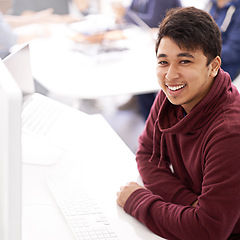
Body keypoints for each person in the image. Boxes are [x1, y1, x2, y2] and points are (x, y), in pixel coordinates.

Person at [116, 7, 240, 240]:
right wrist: (189, 203)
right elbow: (147, 156)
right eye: (163, 62)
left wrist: (137, 199)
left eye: (185, 61)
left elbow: (207, 230)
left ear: (213, 66)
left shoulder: (230, 132)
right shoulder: (171, 95)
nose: (171, 76)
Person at [205, 0, 240, 80]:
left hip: (226, 66)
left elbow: (234, 51)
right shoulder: (211, 4)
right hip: (205, 59)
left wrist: (204, 52)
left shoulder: (237, 9)